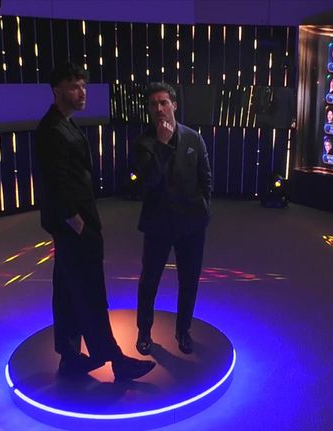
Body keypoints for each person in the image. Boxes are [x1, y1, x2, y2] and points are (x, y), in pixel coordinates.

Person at [35, 62, 155, 381]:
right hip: (75, 227)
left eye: (83, 85)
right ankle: (114, 359)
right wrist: (76, 222)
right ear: (57, 90)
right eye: (74, 86)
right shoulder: (52, 130)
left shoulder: (64, 124)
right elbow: (55, 182)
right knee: (90, 294)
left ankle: (69, 357)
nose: (82, 91)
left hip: (73, 226)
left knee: (67, 292)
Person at [134, 82, 212, 356]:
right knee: (149, 281)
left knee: (189, 281)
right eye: (153, 104)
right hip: (158, 223)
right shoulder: (144, 143)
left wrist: (203, 208)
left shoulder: (193, 138)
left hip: (192, 224)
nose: (159, 108)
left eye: (164, 102)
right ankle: (144, 332)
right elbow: (149, 181)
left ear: (174, 105)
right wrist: (163, 144)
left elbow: (205, 178)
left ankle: (183, 330)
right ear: (148, 109)